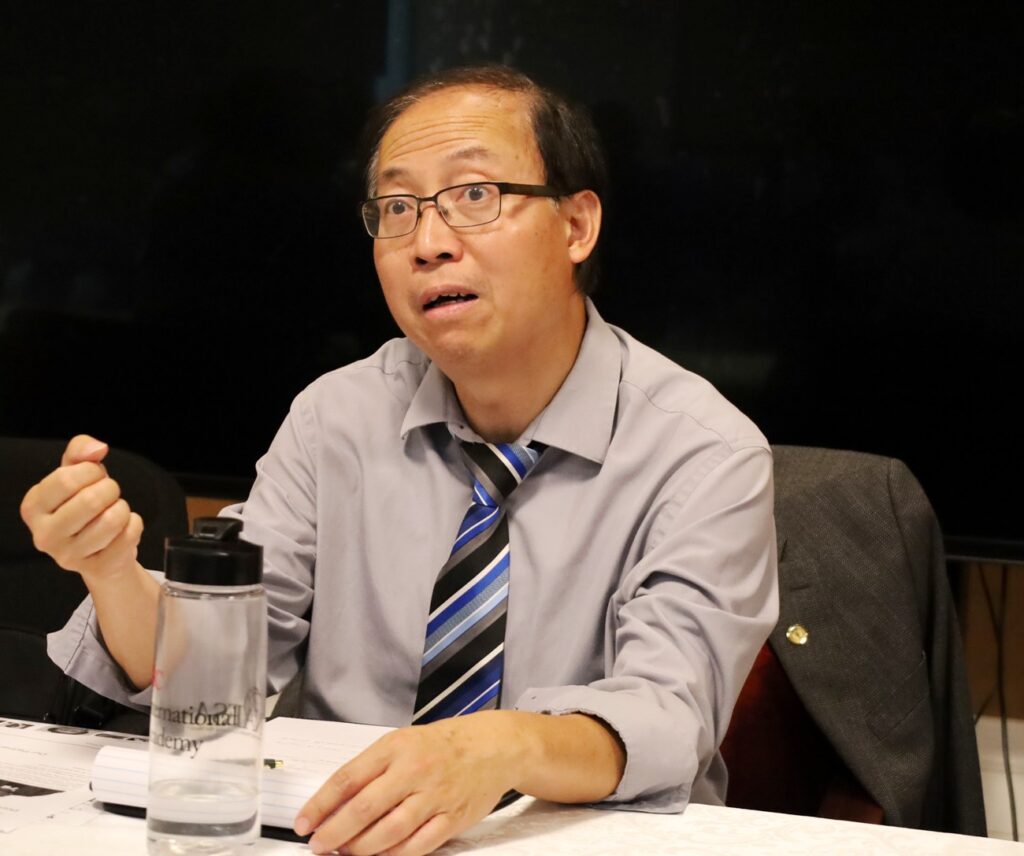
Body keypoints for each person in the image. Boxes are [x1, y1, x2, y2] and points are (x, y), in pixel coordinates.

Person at [20, 66, 778, 856]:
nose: (429, 243)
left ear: (576, 226)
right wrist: (111, 571)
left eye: (475, 196)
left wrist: (497, 748)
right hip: (334, 835)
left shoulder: (704, 453)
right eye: (398, 207)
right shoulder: (335, 418)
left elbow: (668, 714)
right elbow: (214, 672)